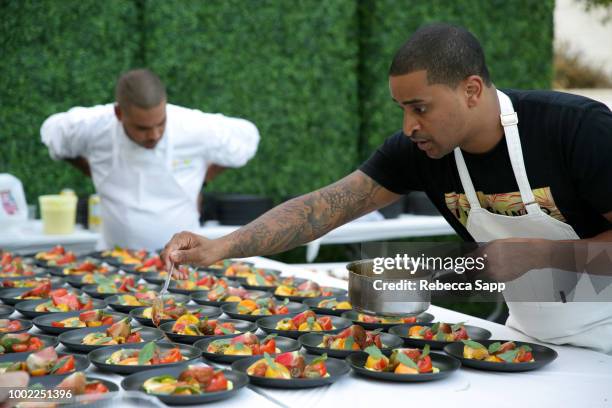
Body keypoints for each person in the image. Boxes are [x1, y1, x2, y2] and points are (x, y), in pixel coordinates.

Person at [162, 23, 612, 353]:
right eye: (401, 109)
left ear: (472, 90)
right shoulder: (419, 150)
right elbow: (325, 208)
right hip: (527, 334)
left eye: (420, 108)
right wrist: (221, 247)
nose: (408, 126)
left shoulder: (577, 130)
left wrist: (547, 256)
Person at [41, 69, 260, 250]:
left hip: (182, 261)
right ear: (118, 114)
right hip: (113, 258)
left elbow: (247, 142)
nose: (154, 135)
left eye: (161, 123)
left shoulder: (194, 126)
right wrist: (95, 172)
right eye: (142, 128)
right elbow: (54, 138)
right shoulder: (92, 126)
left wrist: (202, 181)